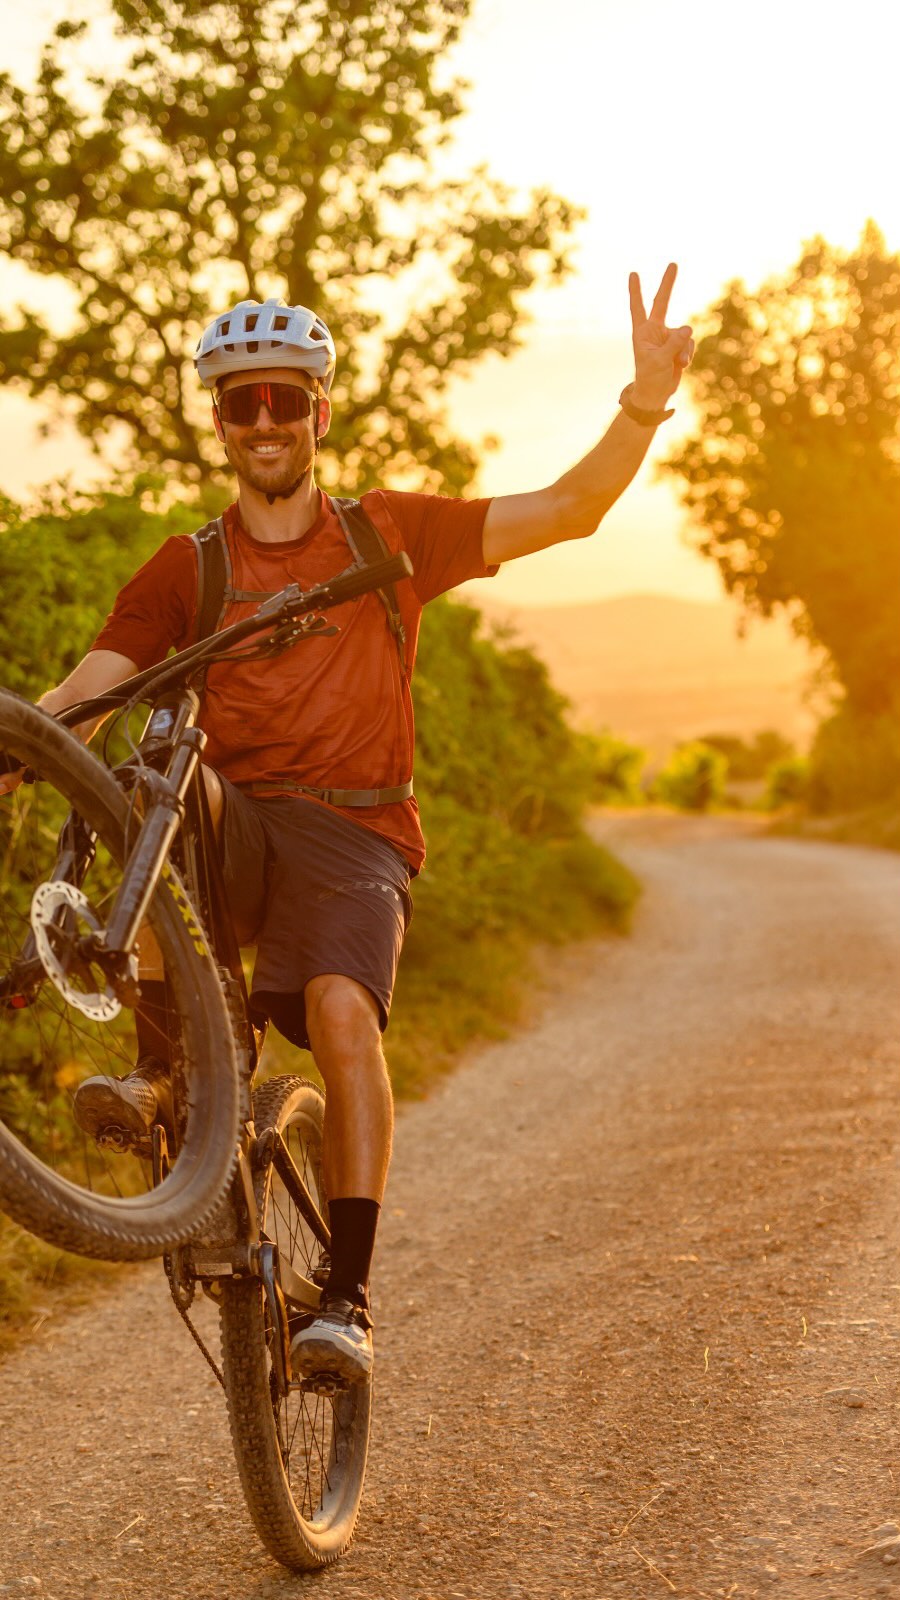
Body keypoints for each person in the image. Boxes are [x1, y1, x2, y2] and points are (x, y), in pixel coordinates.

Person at [0, 265, 693, 1382]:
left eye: (283, 397)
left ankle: (350, 1297)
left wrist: (644, 400)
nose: (264, 420)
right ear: (220, 424)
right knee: (141, 772)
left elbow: (570, 510)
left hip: (358, 836)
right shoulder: (193, 564)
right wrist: (19, 748)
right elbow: (93, 682)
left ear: (320, 410)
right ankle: (163, 1074)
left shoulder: (393, 534)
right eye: (241, 402)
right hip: (236, 825)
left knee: (338, 1010)